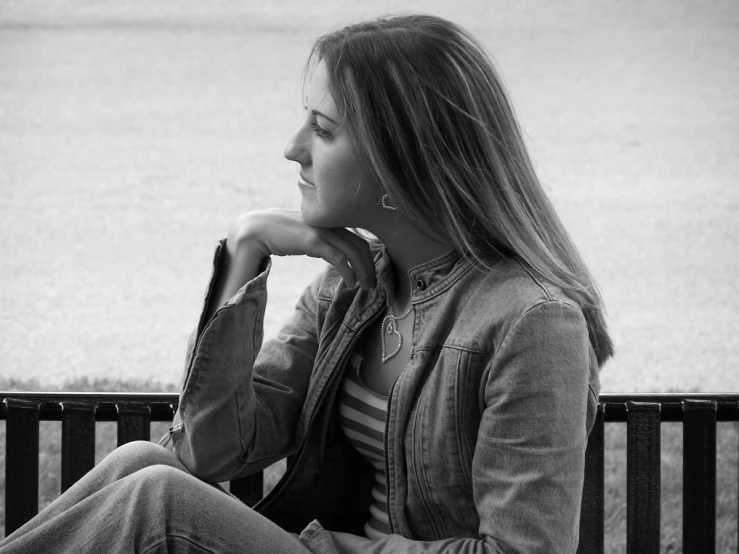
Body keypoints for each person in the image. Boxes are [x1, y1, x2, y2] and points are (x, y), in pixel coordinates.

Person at [0, 13, 612, 554]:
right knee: (145, 462)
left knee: (159, 498)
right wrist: (245, 251)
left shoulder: (533, 323)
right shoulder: (353, 288)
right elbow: (211, 450)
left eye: (322, 130)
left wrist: (321, 547)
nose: (292, 149)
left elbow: (523, 549)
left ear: (404, 156)